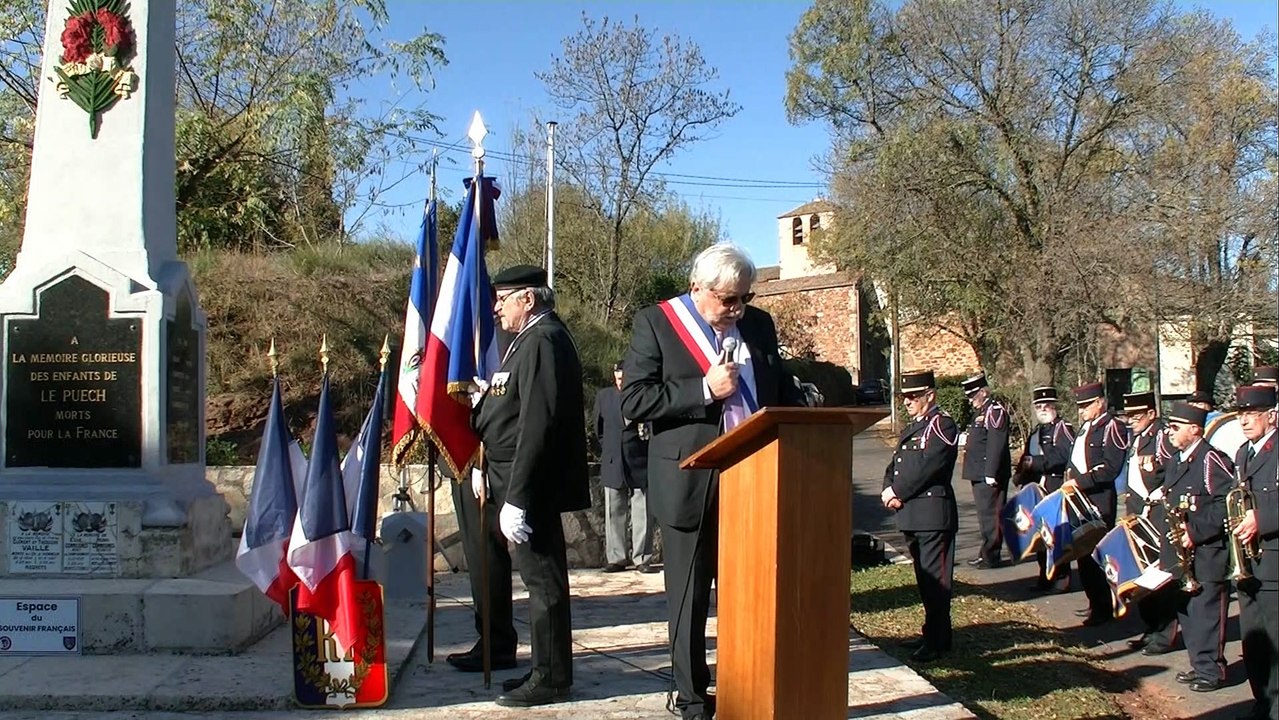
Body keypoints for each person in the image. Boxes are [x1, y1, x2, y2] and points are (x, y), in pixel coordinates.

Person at [620, 243, 803, 720]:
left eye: (744, 297)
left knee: (754, 591)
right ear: (697, 289)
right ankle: (693, 696)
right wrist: (703, 389)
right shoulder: (657, 323)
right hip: (690, 479)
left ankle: (751, 682)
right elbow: (635, 400)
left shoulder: (758, 324)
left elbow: (777, 387)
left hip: (755, 476)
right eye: (728, 300)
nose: (738, 309)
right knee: (690, 597)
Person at [472, 264, 590, 707]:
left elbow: (537, 421)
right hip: (512, 474)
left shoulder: (542, 339)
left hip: (530, 482)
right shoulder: (529, 339)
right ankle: (544, 666)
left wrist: (518, 497)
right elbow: (514, 404)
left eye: (503, 299)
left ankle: (553, 676)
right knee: (537, 579)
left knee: (543, 582)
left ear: (529, 298)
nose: (497, 308)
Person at [881, 369, 960, 662]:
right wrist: (887, 487)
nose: (908, 402)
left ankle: (938, 642)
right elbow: (896, 463)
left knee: (937, 583)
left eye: (914, 397)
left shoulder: (942, 425)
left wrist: (897, 491)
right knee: (925, 581)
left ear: (931, 395)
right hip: (913, 515)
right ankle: (933, 633)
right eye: (905, 397)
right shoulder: (916, 425)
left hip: (932, 515)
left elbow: (930, 466)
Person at [1162, 400, 1233, 694]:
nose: (1169, 432)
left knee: (1207, 613)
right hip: (1184, 553)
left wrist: (1195, 531)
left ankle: (1212, 669)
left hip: (1206, 550)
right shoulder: (1178, 459)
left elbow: (1226, 504)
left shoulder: (1211, 459)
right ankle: (1199, 664)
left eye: (1175, 427)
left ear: (1194, 429)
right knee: (1188, 612)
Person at [1119, 390, 1179, 656]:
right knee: (1143, 576)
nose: (1131, 421)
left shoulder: (1162, 437)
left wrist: (1159, 494)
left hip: (1156, 514)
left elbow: (1173, 471)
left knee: (1160, 578)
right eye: (1129, 416)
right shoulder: (1139, 437)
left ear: (1151, 414)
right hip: (1138, 513)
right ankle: (1151, 627)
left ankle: (1165, 634)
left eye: (1136, 416)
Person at [1231, 384, 1277, 720]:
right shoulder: (1243, 453)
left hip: (1274, 560)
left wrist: (1260, 519)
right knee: (1253, 642)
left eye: (1252, 415)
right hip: (1248, 563)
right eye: (1241, 416)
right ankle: (1262, 701)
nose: (1245, 422)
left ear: (1271, 416)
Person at [1065, 381, 1128, 626]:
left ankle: (1104, 606)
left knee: (1096, 555)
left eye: (1086, 405)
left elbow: (1111, 467)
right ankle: (1095, 602)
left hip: (1098, 498)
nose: (1082, 411)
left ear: (1099, 403)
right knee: (1083, 554)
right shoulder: (1086, 427)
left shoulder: (1113, 427)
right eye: (1079, 406)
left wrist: (1081, 481)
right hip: (1079, 498)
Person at [593, 360, 657, 574]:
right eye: (618, 379)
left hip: (639, 461)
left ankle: (642, 558)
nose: (621, 383)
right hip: (613, 461)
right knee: (614, 510)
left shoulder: (642, 394)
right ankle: (617, 558)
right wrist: (610, 449)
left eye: (625, 378)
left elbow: (650, 427)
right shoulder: (604, 397)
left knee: (643, 512)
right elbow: (598, 429)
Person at [1013, 386, 1074, 593]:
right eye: (1039, 406)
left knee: (1055, 536)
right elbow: (1026, 460)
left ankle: (1061, 577)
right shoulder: (1036, 432)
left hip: (1054, 487)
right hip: (1036, 490)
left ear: (1054, 405)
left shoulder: (1063, 428)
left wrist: (1036, 463)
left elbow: (1063, 456)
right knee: (1039, 537)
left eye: (1046, 405)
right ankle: (1044, 576)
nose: (1042, 409)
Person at [960, 372, 1011, 569]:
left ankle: (991, 555)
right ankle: (986, 551)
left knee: (992, 515)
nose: (970, 400)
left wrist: (991, 472)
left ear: (983, 392)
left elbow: (995, 444)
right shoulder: (981, 412)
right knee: (984, 515)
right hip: (978, 472)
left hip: (988, 473)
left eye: (973, 395)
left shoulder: (994, 412)